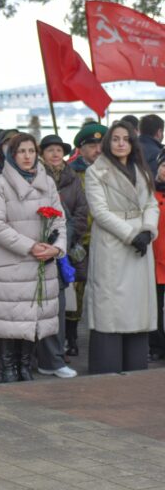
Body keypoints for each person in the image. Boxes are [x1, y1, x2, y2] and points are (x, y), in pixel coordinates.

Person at [0, 133, 66, 383]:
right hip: (12, 262)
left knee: (34, 315)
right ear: (11, 154)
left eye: (31, 150)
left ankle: (25, 366)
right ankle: (8, 368)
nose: (27, 156)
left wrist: (57, 247)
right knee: (12, 318)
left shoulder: (48, 183)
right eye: (21, 151)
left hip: (42, 259)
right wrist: (31, 246)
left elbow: (60, 220)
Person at [84, 120, 158, 375]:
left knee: (137, 307)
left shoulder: (142, 170)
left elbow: (151, 204)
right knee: (111, 306)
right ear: (108, 142)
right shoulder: (96, 171)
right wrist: (131, 235)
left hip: (140, 243)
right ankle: (107, 367)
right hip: (112, 244)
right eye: (115, 138)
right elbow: (100, 212)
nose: (120, 143)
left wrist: (148, 230)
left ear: (132, 142)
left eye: (125, 139)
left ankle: (136, 364)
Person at [36, 134, 86, 379]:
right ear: (42, 154)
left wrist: (65, 239)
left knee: (60, 306)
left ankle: (55, 356)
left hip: (62, 250)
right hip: (40, 249)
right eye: (51, 150)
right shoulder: (37, 177)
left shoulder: (72, 178)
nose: (56, 154)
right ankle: (41, 357)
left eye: (59, 150)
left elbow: (81, 212)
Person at [65, 122, 107, 356]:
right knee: (76, 291)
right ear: (81, 148)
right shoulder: (72, 173)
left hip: (106, 240)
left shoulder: (113, 172)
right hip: (80, 240)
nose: (98, 149)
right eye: (92, 145)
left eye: (101, 144)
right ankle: (71, 337)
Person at [150, 152, 165, 360]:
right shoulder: (148, 192)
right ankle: (156, 346)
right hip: (152, 259)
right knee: (154, 306)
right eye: (163, 165)